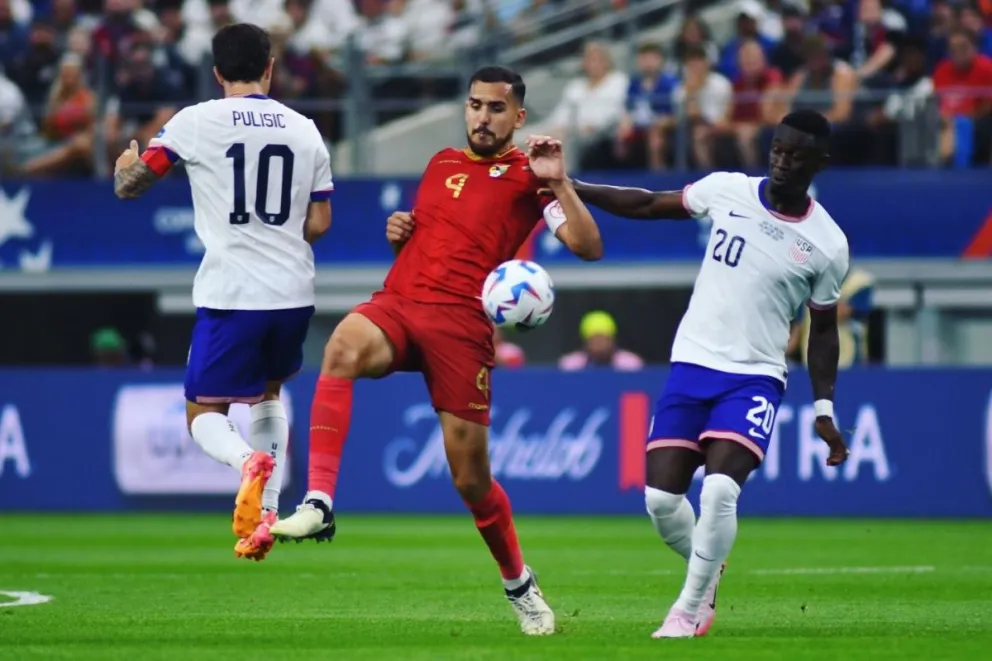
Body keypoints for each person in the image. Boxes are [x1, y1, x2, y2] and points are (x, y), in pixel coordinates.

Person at [270, 65, 603, 636]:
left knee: (470, 479)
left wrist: (561, 182)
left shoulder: (531, 176)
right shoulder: (441, 163)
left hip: (461, 328)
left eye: (497, 108)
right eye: (476, 105)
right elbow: (433, 230)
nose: (483, 116)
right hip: (401, 301)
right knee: (342, 347)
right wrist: (403, 230)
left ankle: (519, 582)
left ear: (518, 116)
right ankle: (320, 500)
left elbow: (587, 246)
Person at [570, 109, 851, 639]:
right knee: (660, 502)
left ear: (820, 163)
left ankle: (690, 608)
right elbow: (650, 204)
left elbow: (825, 331)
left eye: (796, 154)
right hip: (692, 365)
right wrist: (573, 186)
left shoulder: (828, 243)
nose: (782, 159)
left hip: (755, 377)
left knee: (721, 491)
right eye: (777, 148)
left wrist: (824, 408)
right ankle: (709, 563)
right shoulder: (728, 190)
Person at [113, 23, 333, 562]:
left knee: (201, 413)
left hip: (233, 290)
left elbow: (134, 184)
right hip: (293, 290)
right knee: (269, 394)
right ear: (270, 68)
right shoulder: (304, 129)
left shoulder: (196, 121)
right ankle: (266, 517)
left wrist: (124, 170)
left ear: (216, 72)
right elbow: (320, 221)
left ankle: (245, 465)